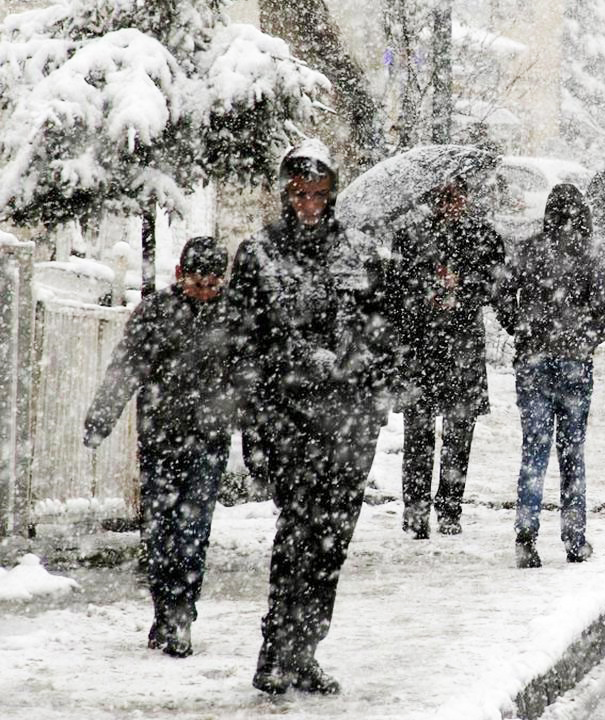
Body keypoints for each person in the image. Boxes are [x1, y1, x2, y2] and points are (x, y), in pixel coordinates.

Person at [225, 139, 393, 695]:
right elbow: (243, 346)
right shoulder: (259, 255)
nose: (308, 205)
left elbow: (381, 334)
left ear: (333, 194)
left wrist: (370, 390)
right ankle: (275, 649)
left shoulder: (359, 253)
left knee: (333, 542)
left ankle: (306, 650)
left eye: (318, 194)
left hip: (348, 424)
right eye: (299, 194)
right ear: (284, 193)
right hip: (289, 419)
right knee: (297, 536)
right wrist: (254, 426)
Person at [82, 235, 233, 659]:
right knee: (161, 531)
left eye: (213, 283)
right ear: (180, 275)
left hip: (209, 439)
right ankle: (165, 608)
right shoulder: (157, 313)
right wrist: (102, 417)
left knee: (193, 530)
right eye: (197, 281)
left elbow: (250, 380)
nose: (204, 290)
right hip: (162, 438)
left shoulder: (234, 316)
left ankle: (182, 612)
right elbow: (126, 367)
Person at [497, 184, 605, 569]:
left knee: (534, 449)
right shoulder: (591, 254)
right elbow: (603, 306)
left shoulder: (528, 249)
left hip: (532, 361)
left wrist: (520, 325)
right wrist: (585, 339)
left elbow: (501, 293)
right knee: (572, 452)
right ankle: (574, 537)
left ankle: (526, 536)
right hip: (574, 363)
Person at [383, 176, 507, 539]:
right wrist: (425, 294)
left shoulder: (484, 237)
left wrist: (462, 287)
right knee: (418, 433)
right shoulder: (409, 235)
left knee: (459, 432)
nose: (450, 203)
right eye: (443, 196)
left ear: (467, 197)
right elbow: (395, 292)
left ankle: (450, 507)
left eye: (456, 196)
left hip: (461, 347)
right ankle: (416, 510)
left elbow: (494, 284)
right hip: (420, 347)